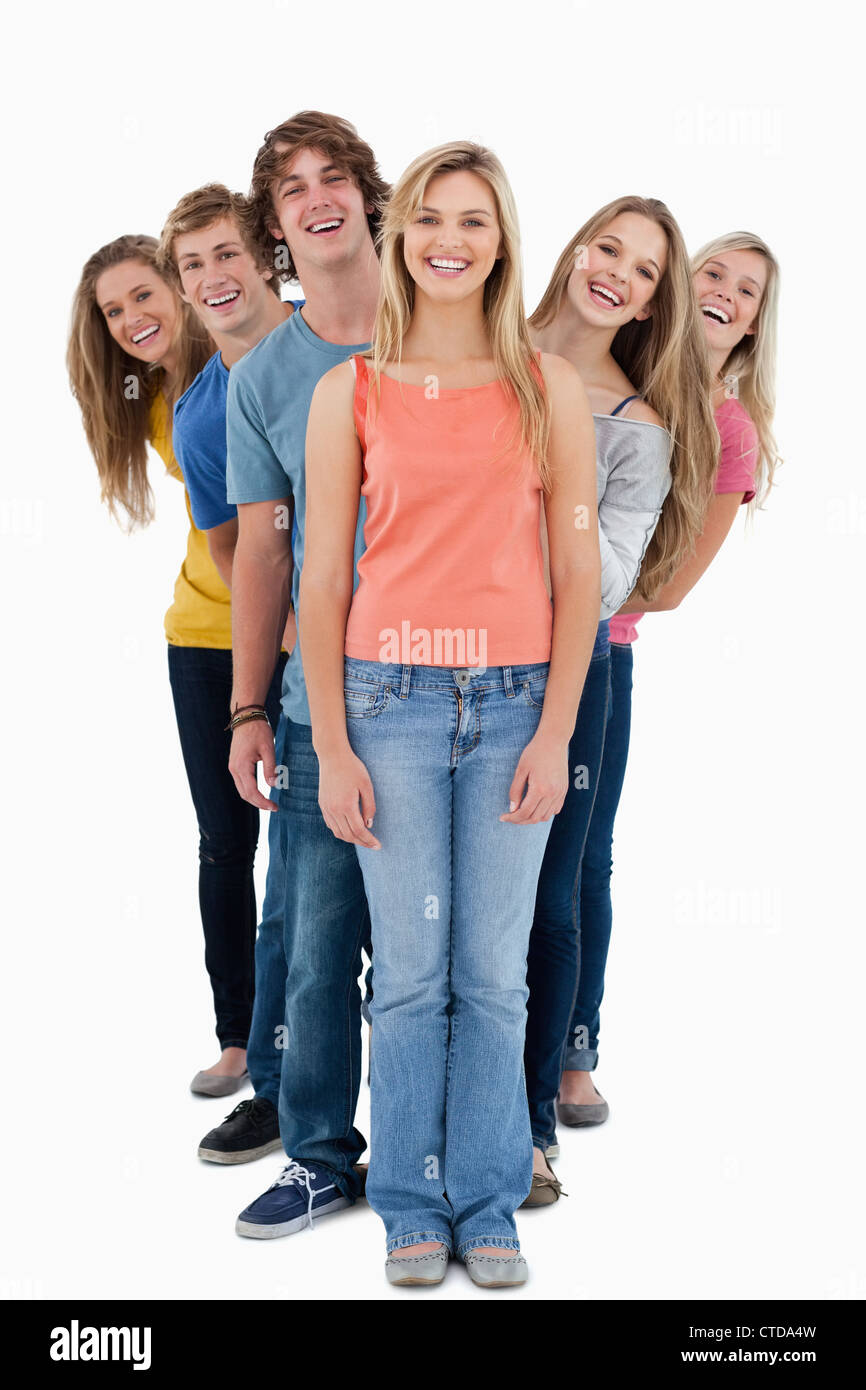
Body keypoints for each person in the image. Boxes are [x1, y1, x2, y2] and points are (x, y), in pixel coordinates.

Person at [300, 141, 600, 1287]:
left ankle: (487, 1202)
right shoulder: (353, 390)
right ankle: (406, 1204)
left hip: (518, 699)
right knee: (413, 972)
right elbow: (323, 579)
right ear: (398, 237)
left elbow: (578, 575)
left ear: (500, 241)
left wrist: (556, 730)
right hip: (389, 701)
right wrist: (330, 743)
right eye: (429, 218)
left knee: (495, 972)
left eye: (473, 221)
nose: (448, 240)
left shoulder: (544, 385)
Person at [557, 232, 781, 1133]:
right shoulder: (613, 372)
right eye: (712, 274)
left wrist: (571, 600)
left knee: (583, 861)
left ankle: (575, 1054)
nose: (725, 294)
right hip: (508, 650)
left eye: (749, 291)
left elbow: (674, 587)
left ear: (759, 324)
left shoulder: (726, 429)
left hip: (602, 649)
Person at [521, 198, 719, 1201]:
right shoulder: (475, 355)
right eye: (608, 248)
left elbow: (600, 582)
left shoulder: (631, 423)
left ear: (649, 305)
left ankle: (526, 1131)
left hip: (572, 668)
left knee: (552, 895)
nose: (616, 275)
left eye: (643, 273)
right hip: (433, 664)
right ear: (572, 248)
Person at [222, 112, 389, 1231]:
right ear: (276, 227)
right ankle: (321, 1151)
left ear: (369, 197)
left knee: (456, 945)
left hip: (463, 687)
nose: (316, 196)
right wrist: (247, 709)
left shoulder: (450, 324)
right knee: (319, 941)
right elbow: (264, 556)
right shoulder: (262, 378)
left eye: (334, 177)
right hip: (314, 701)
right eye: (292, 189)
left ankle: (474, 1145)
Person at [67, 236, 277, 1096]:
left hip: (293, 630)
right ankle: (238, 1037)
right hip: (201, 637)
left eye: (143, 295)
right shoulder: (156, 398)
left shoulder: (252, 363)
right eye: (113, 312)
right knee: (226, 846)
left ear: (185, 289)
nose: (132, 320)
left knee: (326, 843)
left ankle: (351, 1031)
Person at [156, 184, 298, 1157]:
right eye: (190, 264)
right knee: (296, 889)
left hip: (435, 652)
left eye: (224, 253)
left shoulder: (350, 336)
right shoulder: (205, 418)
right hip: (305, 667)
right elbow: (238, 562)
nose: (211, 277)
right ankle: (284, 1089)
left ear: (266, 256)